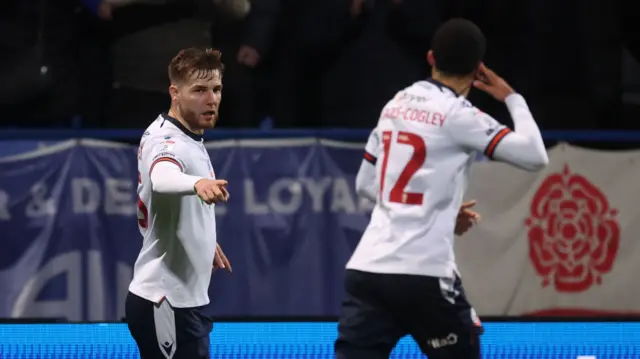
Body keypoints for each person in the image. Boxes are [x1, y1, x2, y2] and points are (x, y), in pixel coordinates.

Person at [335, 18, 548, 359]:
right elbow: (535, 156)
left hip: (368, 271)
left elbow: (365, 184)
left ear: (431, 58)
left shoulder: (395, 105)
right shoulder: (459, 114)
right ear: (478, 69)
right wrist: (511, 97)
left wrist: (438, 207)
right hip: (424, 275)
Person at [125, 47, 233, 359]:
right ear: (175, 92)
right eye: (199, 90)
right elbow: (163, 177)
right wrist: (198, 183)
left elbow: (170, 203)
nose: (211, 99)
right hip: (164, 302)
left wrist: (201, 237)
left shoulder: (184, 135)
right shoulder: (167, 141)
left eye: (216, 89)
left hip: (180, 303)